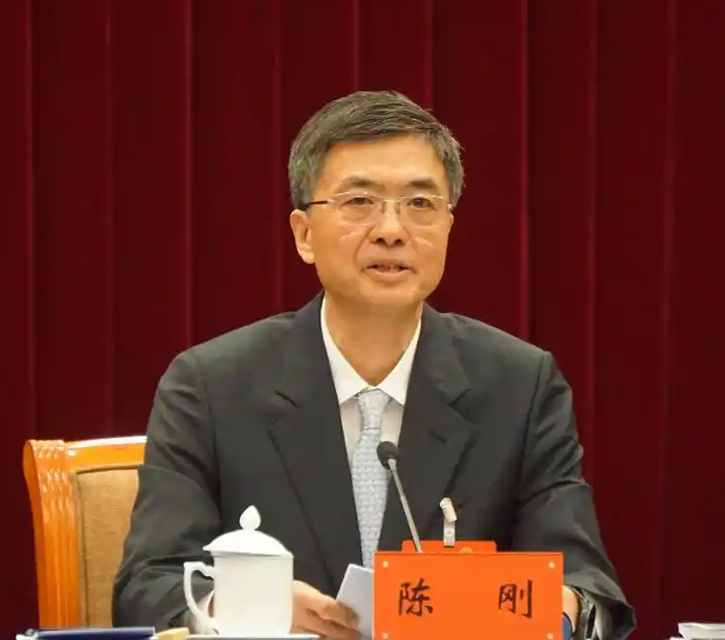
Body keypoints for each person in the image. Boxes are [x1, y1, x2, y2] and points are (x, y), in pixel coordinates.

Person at [112, 90, 634, 640]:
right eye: (360, 201)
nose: (391, 229)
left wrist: (557, 612)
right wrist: (246, 606)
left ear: (448, 228)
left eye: (420, 203)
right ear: (304, 234)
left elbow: (587, 586)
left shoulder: (520, 386)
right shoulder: (211, 387)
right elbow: (147, 587)